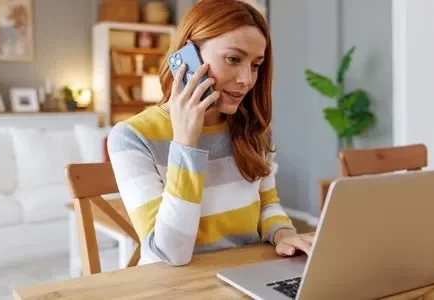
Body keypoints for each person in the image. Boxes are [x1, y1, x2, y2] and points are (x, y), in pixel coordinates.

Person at [107, 0, 314, 266]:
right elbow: (171, 254)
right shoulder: (131, 137)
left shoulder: (250, 129)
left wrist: (283, 234)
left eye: (255, 65)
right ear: (187, 55)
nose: (247, 80)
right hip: (174, 287)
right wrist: (186, 144)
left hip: (245, 275)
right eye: (233, 59)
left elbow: (267, 205)